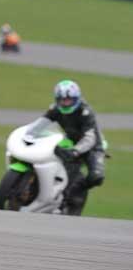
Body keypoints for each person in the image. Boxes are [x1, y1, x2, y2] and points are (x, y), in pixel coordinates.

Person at [46, 80, 105, 213]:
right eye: (62, 100)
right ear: (57, 99)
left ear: (76, 98)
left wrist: (75, 151)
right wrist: (28, 135)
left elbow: (90, 138)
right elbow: (41, 123)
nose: (65, 103)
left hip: (93, 147)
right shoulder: (54, 108)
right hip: (71, 142)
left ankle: (76, 191)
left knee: (97, 177)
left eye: (69, 100)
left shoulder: (86, 112)